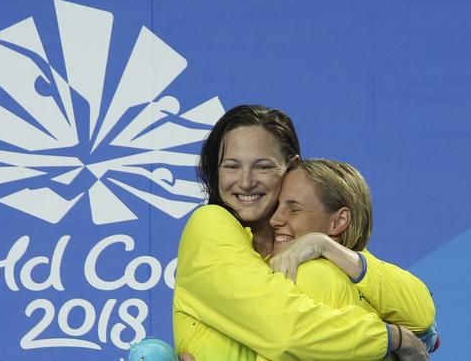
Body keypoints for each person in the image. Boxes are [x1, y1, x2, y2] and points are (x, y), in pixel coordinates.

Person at [173, 105, 434, 360]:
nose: (245, 181)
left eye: (262, 166)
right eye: (231, 166)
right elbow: (285, 331)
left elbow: (422, 313)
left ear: (291, 166)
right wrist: (392, 338)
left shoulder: (312, 244)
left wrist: (326, 246)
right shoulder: (209, 225)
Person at [269, 158, 439, 353]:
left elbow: (423, 312)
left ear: (339, 221)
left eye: (294, 209)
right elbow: (425, 318)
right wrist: (398, 339)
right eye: (276, 207)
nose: (274, 219)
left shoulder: (304, 275)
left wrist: (323, 245)